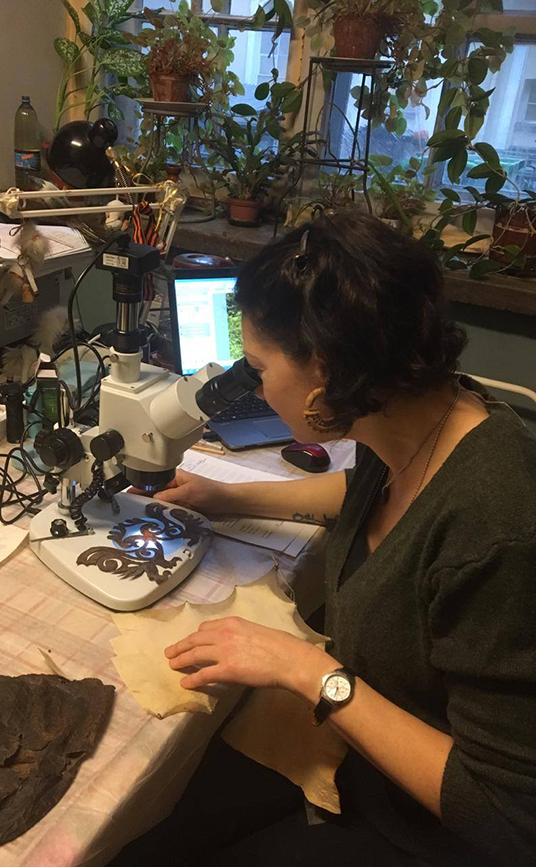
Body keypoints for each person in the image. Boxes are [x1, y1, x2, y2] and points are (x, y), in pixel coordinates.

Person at [109, 213, 536, 867]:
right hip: (361, 753)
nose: (251, 385)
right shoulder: (413, 415)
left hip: (423, 829)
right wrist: (230, 496)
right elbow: (368, 497)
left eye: (257, 368)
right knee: (146, 831)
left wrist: (304, 669)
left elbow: (504, 813)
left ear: (324, 370)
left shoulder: (496, 525)